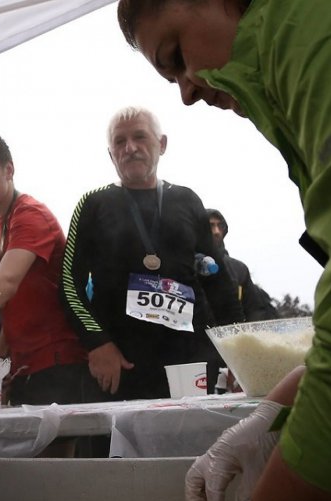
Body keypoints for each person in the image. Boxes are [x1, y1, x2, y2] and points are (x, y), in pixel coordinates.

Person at [116, 0, 331, 501]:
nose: (186, 91)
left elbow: (229, 291)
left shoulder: (307, 42)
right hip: (134, 369)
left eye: (175, 56)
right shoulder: (96, 206)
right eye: (118, 142)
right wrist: (267, 414)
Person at [60, 106, 244, 401]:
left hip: (191, 361)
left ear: (162, 144)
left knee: (197, 445)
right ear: (111, 154)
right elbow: (70, 283)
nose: (130, 148)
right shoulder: (93, 204)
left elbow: (218, 280)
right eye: (119, 142)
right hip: (121, 362)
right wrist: (96, 343)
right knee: (123, 447)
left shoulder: (187, 199)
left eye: (140, 137)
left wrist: (239, 353)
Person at [0, 131, 98, 456]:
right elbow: (12, 304)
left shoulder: (30, 215)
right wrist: (1, 364)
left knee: (56, 473)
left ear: (9, 170)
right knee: (30, 470)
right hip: (25, 365)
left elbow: (5, 283)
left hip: (57, 363)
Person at [206, 208, 278, 322]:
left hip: (228, 336)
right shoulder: (183, 263)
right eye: (211, 225)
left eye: (220, 226)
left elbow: (256, 311)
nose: (216, 231)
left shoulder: (239, 269)